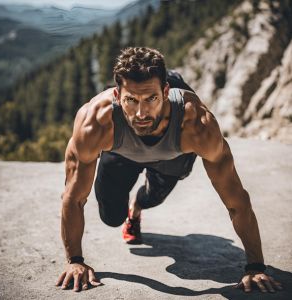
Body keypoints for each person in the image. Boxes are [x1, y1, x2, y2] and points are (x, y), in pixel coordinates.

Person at [55, 47, 282, 293]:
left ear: (165, 92)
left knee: (152, 197)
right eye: (131, 100)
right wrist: (75, 261)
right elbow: (73, 198)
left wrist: (256, 267)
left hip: (172, 153)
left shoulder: (196, 125)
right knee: (111, 217)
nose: (141, 113)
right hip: (121, 152)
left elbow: (237, 201)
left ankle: (137, 208)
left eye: (151, 98)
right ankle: (125, 208)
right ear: (117, 95)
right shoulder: (95, 122)